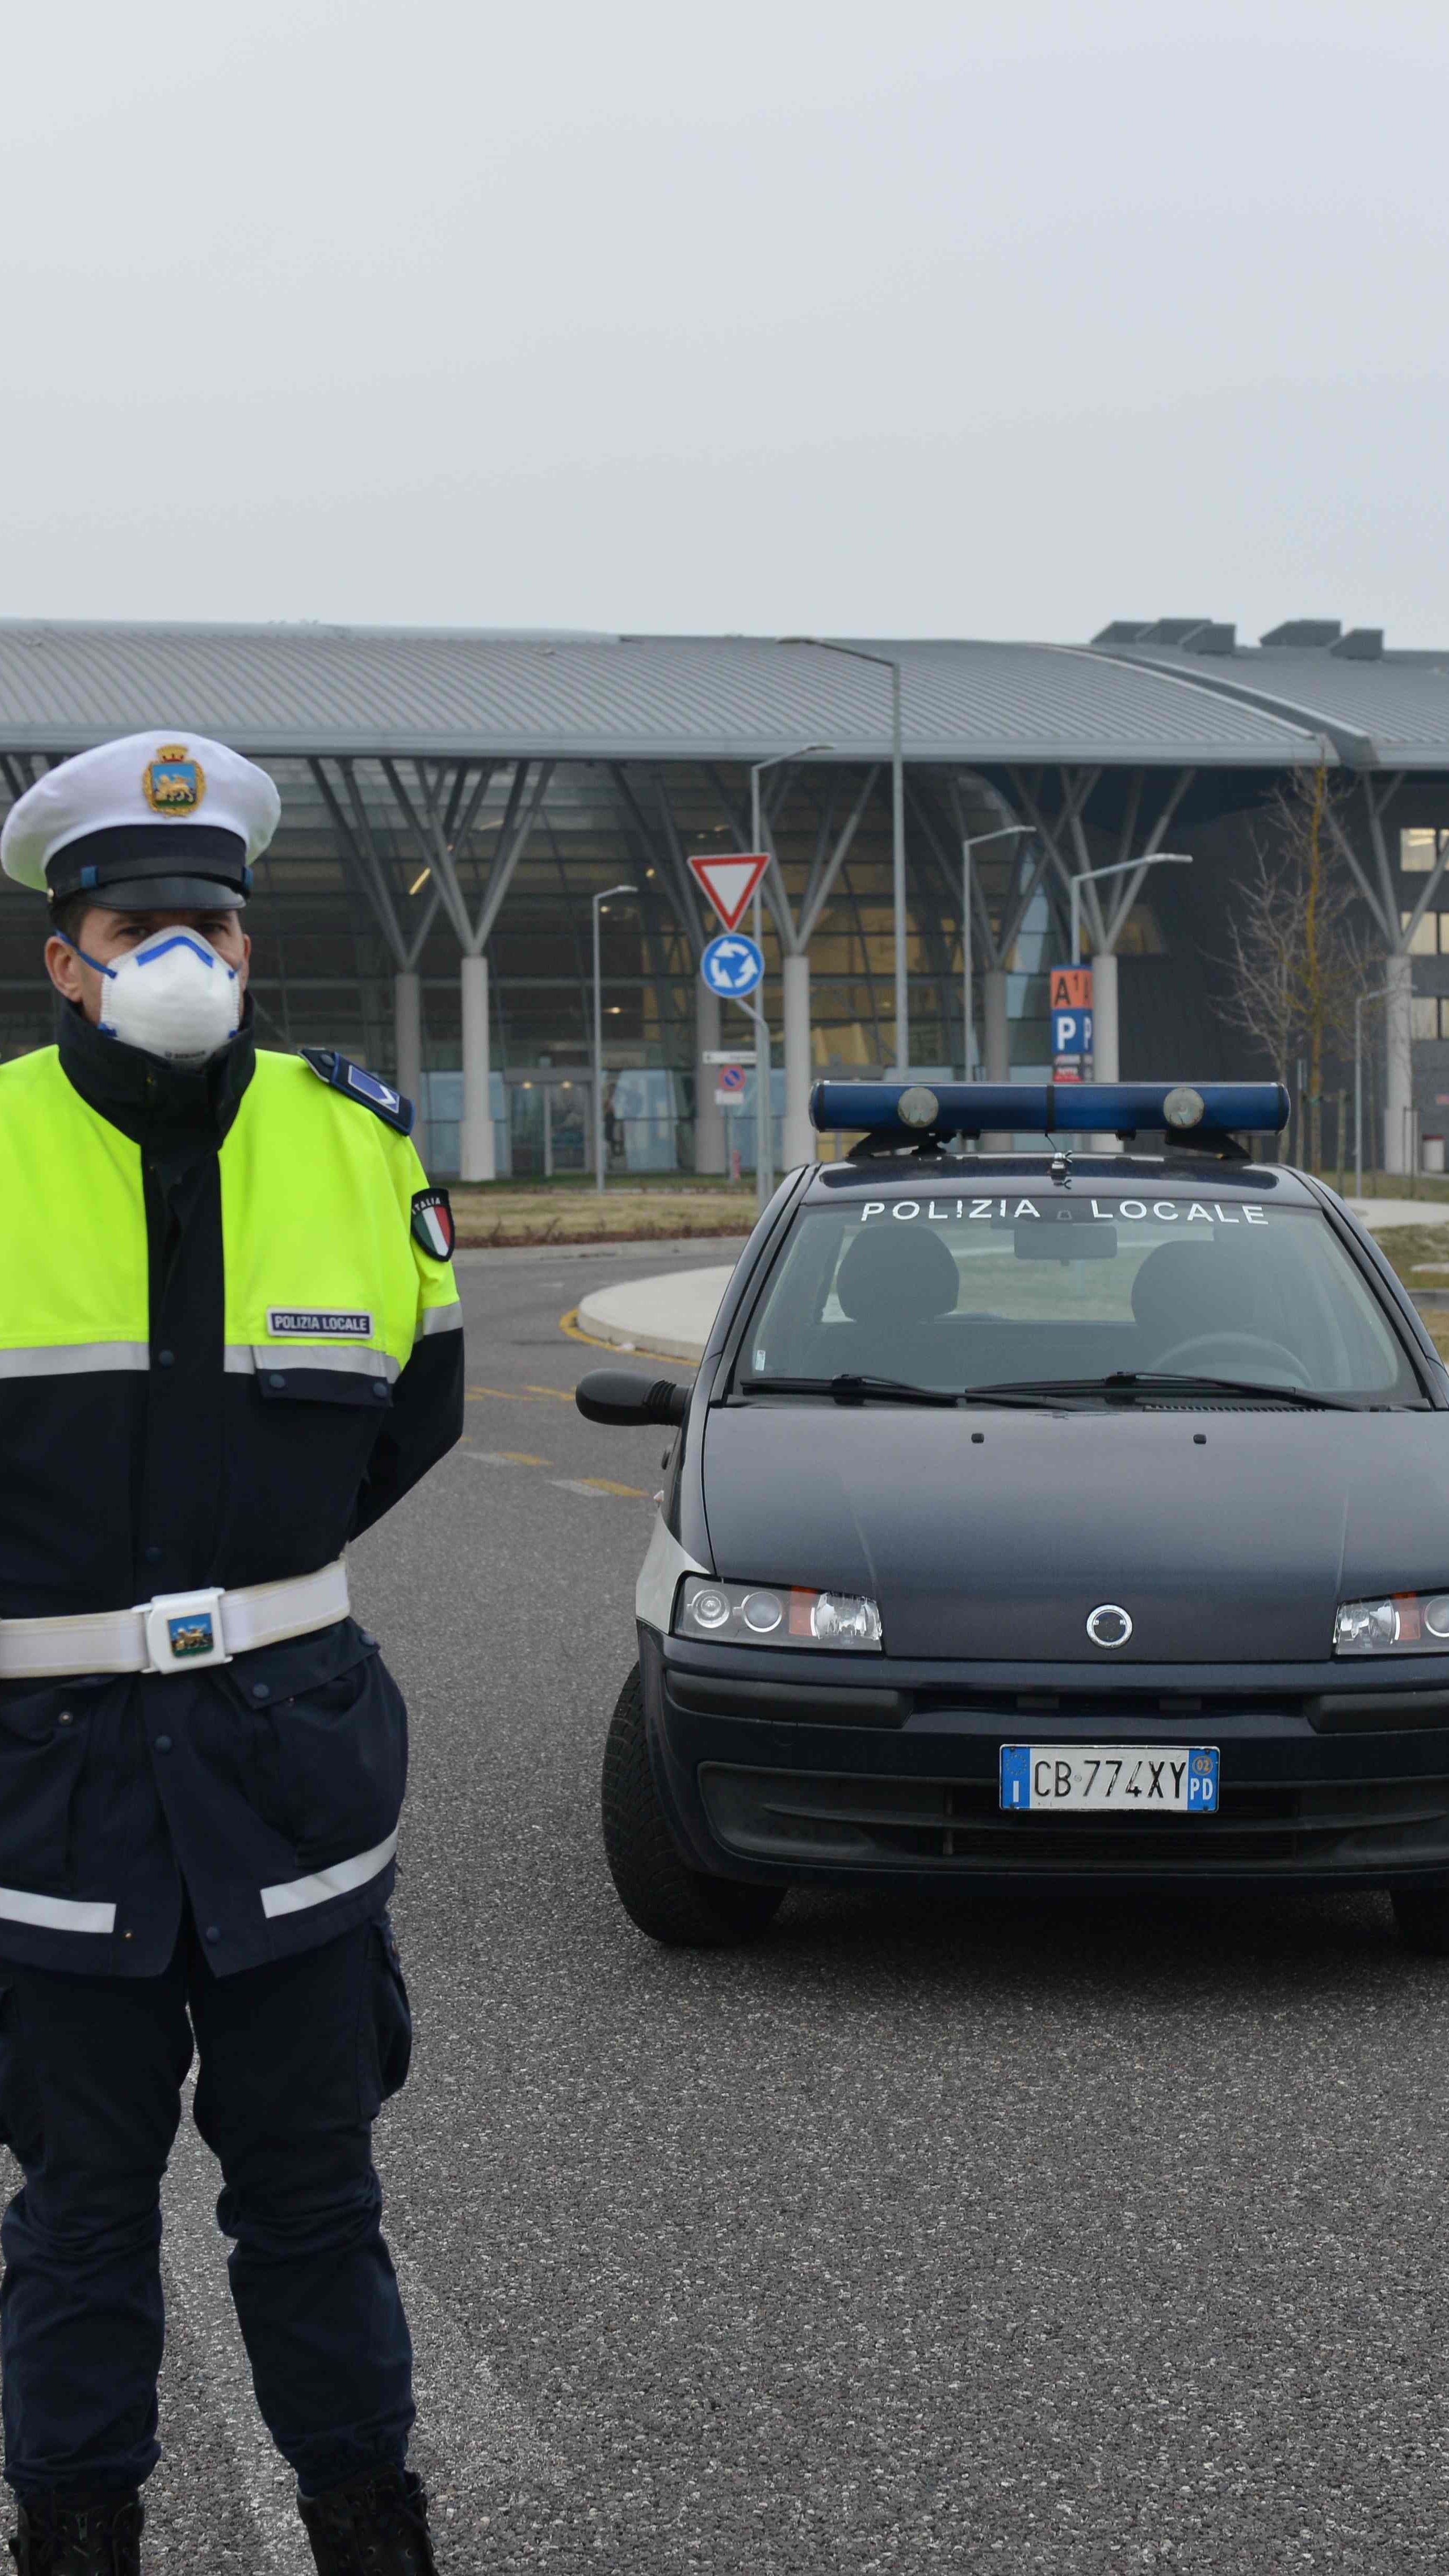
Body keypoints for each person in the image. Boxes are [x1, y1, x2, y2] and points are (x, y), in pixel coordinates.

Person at [0, 734, 465, 2575]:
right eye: (137, 922)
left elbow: (411, 1414)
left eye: (213, 922)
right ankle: (74, 2535)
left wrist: (240, 1578)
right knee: (83, 2213)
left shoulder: (354, 1143)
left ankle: (371, 2526)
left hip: (287, 1768)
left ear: (251, 946)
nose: (181, 954)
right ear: (64, 955)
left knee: (314, 2200)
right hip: (50, 1781)